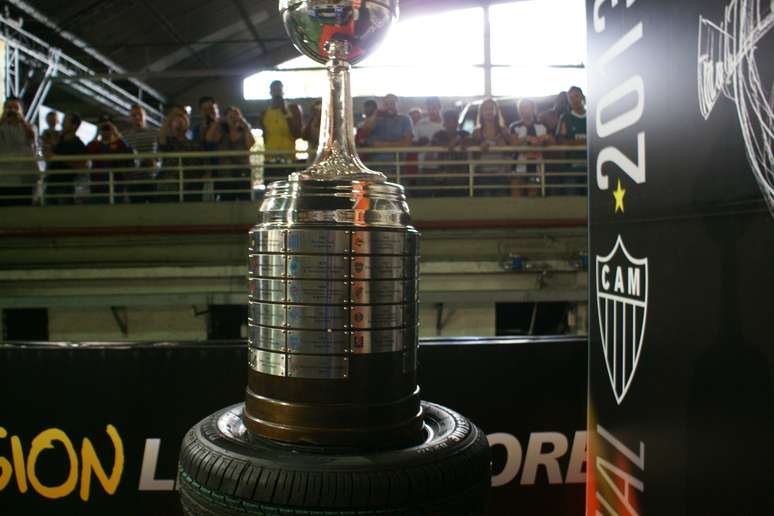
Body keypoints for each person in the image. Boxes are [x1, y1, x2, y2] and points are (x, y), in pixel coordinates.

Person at [205, 106, 255, 201]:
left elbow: (250, 144)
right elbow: (209, 138)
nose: (233, 117)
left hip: (242, 173)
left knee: (245, 201)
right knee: (226, 200)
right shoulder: (221, 132)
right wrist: (217, 122)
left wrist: (246, 127)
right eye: (230, 115)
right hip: (225, 174)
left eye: (236, 114)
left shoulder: (244, 132)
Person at [509, 98, 554, 197]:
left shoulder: (542, 126)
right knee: (516, 196)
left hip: (536, 168)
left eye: (526, 107)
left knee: (533, 196)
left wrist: (544, 138)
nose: (524, 110)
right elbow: (512, 143)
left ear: (533, 109)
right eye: (521, 107)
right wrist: (526, 139)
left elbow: (552, 142)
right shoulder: (514, 126)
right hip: (518, 168)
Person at [358, 94, 414, 172]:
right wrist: (375, 114)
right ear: (382, 105)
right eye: (386, 104)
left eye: (392, 104)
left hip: (397, 166)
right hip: (374, 166)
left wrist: (381, 145)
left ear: (398, 105)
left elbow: (407, 142)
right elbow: (364, 132)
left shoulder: (405, 119)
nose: (389, 106)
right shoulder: (375, 119)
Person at [259, 80, 302, 181]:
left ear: (283, 92)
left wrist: (286, 113)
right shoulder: (264, 113)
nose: (277, 93)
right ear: (270, 93)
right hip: (270, 160)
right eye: (274, 90)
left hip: (288, 159)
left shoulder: (293, 109)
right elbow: (265, 137)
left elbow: (297, 134)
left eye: (279, 90)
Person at [86, 115, 134, 203]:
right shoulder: (95, 145)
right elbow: (85, 152)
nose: (105, 131)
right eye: (103, 128)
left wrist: (116, 133)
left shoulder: (119, 144)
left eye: (107, 128)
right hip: (98, 186)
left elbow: (128, 150)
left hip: (117, 186)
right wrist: (97, 133)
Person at [470, 98, 512, 197]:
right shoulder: (476, 132)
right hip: (483, 174)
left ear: (496, 111)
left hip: (501, 173)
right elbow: (472, 155)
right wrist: (479, 148)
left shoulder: (503, 130)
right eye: (485, 109)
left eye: (491, 109)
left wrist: (505, 146)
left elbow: (512, 151)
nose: (488, 111)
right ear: (481, 112)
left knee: (502, 202)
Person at [0, 97, 38, 206]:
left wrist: (22, 120)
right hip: (4, 177)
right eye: (8, 107)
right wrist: (2, 120)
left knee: (24, 208)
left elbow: (32, 136)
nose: (12, 110)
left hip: (25, 176)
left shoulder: (30, 126)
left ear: (22, 111)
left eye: (15, 108)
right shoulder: (1, 127)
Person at [47, 113, 88, 204]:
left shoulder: (78, 145)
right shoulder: (58, 141)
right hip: (52, 183)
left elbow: (81, 166)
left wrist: (58, 158)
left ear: (74, 126)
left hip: (66, 184)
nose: (62, 124)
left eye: (65, 122)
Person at [122, 104, 159, 203]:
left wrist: (156, 162)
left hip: (152, 177)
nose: (137, 117)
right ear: (130, 118)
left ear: (145, 116)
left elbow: (161, 154)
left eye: (140, 114)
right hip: (134, 179)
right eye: (134, 115)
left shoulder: (155, 133)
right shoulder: (125, 136)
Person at [158, 109, 198, 202]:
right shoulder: (168, 142)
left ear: (187, 124)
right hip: (169, 182)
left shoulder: (195, 144)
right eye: (176, 121)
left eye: (182, 120)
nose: (179, 123)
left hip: (189, 183)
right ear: (171, 125)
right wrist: (170, 116)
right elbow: (161, 136)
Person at [556, 86, 587, 195]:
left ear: (582, 97)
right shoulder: (565, 118)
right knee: (572, 198)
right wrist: (584, 142)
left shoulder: (593, 116)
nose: (574, 100)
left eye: (576, 96)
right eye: (571, 98)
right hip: (572, 166)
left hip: (592, 165)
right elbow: (561, 141)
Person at [431, 109, 470, 196]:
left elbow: (471, 141)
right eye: (449, 121)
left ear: (457, 122)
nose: (451, 124)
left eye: (454, 121)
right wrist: (451, 143)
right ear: (444, 123)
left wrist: (460, 141)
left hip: (462, 177)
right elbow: (434, 144)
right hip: (443, 177)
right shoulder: (439, 135)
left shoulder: (464, 134)